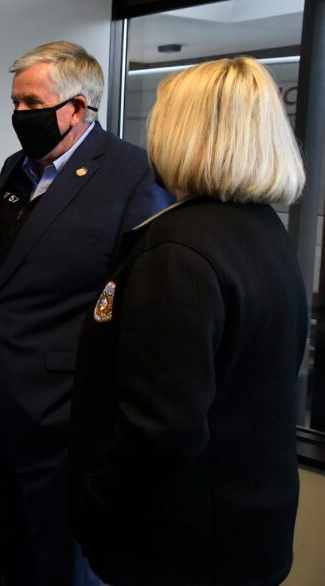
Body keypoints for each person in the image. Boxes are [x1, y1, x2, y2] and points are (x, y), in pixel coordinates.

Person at [69, 56, 307, 586]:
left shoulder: (177, 250)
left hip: (180, 548)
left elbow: (161, 428)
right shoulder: (266, 234)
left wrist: (93, 507)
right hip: (247, 534)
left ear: (184, 132)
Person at [0, 41, 171, 585]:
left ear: (77, 108)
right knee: (11, 555)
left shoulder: (134, 176)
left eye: (32, 103)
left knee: (61, 564)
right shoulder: (17, 170)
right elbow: (0, 281)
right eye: (15, 103)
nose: (19, 116)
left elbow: (135, 306)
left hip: (64, 412)